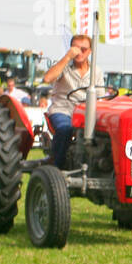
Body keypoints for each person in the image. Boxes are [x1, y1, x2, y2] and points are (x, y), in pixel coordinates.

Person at [41, 33, 102, 167]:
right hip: (64, 111)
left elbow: (102, 99)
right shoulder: (63, 67)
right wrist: (68, 56)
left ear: (90, 51)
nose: (79, 52)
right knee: (65, 129)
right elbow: (47, 79)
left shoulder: (96, 72)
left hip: (86, 115)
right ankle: (57, 166)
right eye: (75, 48)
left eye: (83, 49)